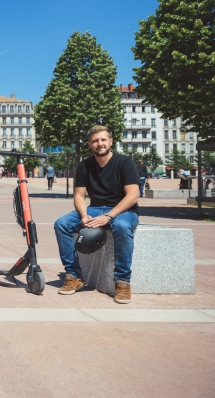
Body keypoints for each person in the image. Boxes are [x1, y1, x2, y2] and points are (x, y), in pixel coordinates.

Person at [53, 126, 139, 304]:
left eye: (103, 140)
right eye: (95, 141)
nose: (100, 144)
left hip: (123, 209)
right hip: (94, 208)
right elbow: (79, 195)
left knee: (122, 226)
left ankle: (122, 281)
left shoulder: (125, 162)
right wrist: (84, 214)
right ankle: (74, 275)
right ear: (89, 144)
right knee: (61, 223)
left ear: (110, 141)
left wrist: (108, 216)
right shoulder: (84, 165)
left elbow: (132, 196)